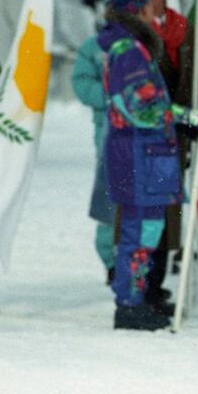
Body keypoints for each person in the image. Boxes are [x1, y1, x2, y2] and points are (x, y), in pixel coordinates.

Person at [98, 0, 198, 330]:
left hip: (148, 154)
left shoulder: (134, 47)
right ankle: (129, 303)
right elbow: (139, 107)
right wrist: (184, 118)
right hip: (139, 155)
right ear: (135, 11)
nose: (155, 13)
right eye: (148, 6)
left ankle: (138, 297)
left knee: (148, 229)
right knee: (140, 231)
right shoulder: (128, 49)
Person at [72, 31, 117, 284]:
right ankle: (111, 259)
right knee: (109, 192)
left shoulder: (146, 40)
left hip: (143, 132)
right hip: (108, 129)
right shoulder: (96, 46)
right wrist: (115, 97)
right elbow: (81, 82)